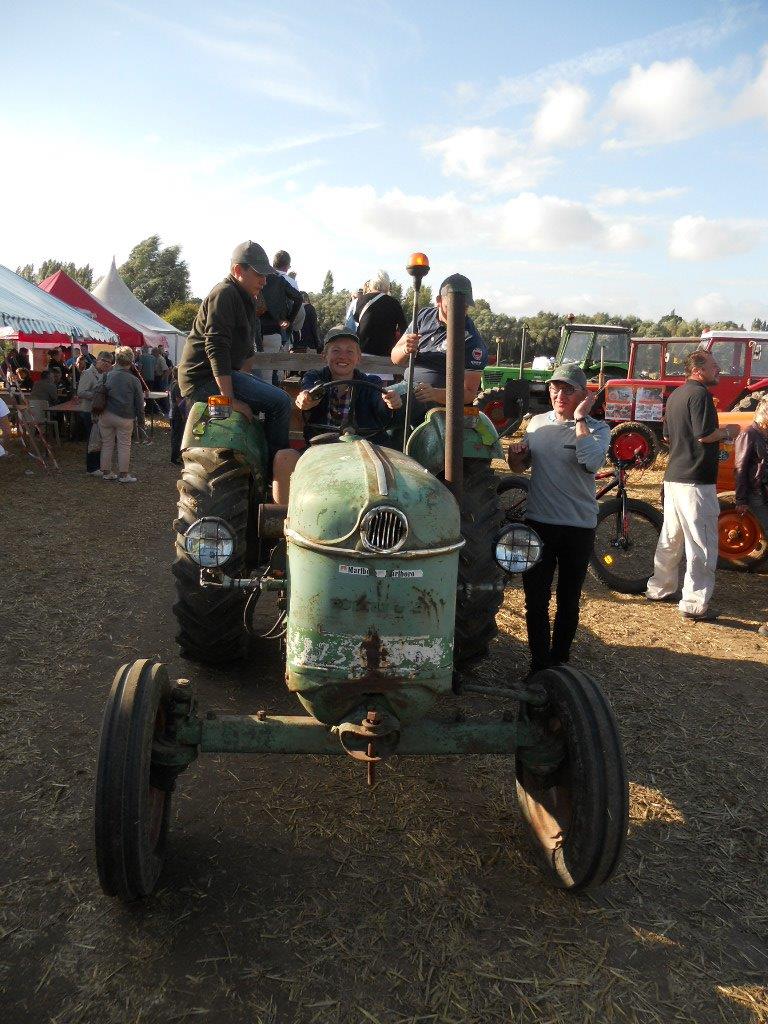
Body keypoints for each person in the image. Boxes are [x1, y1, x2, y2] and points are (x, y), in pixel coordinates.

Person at [508, 363, 611, 677]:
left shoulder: (598, 429)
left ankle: (560, 662)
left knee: (568, 600)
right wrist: (515, 455)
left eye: (568, 390)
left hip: (578, 527)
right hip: (539, 523)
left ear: (584, 395)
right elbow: (518, 468)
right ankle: (539, 665)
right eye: (555, 388)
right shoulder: (537, 424)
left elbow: (591, 463)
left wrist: (579, 419)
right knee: (535, 600)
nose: (559, 395)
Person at [177, 241, 292, 467]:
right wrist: (229, 402)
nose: (264, 281)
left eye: (266, 275)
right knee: (280, 403)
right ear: (238, 270)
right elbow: (216, 347)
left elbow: (247, 351)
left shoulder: (246, 297)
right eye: (258, 274)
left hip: (220, 376)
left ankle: (259, 462)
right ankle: (276, 470)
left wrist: (246, 389)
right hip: (201, 380)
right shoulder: (225, 293)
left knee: (273, 401)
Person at [645, 350, 740, 622]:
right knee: (702, 543)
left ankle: (660, 588)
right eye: (714, 365)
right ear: (698, 370)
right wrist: (729, 431)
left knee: (671, 538)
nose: (718, 369)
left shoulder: (676, 395)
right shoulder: (700, 395)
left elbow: (666, 435)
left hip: (674, 477)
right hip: (696, 481)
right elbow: (704, 435)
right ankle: (694, 604)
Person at [271, 326, 402, 503]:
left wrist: (390, 402)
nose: (343, 356)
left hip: (362, 451)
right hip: (321, 448)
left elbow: (380, 404)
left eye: (350, 351)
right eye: (336, 351)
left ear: (358, 358)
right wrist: (306, 399)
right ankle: (284, 514)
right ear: (324, 356)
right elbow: (310, 394)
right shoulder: (314, 377)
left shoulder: (371, 382)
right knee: (284, 457)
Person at [390, 274, 487, 421]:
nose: (459, 312)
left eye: (465, 307)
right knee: (374, 397)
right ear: (439, 301)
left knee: (386, 407)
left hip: (436, 402)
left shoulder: (472, 340)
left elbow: (468, 392)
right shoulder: (423, 316)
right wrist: (405, 349)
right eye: (453, 306)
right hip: (408, 385)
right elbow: (395, 358)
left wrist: (435, 393)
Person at [734, 394, 768, 637]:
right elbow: (741, 468)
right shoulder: (749, 435)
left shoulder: (765, 435)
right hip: (756, 494)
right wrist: (741, 499)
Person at [99, 345, 146, 482]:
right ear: (131, 360)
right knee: (124, 445)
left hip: (105, 414)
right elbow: (139, 403)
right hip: (125, 416)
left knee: (107, 444)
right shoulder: (134, 380)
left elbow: (98, 392)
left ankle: (106, 472)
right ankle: (123, 475)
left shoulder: (107, 375)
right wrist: (141, 421)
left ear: (116, 359)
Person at [256, 250, 303, 383]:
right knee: (270, 376)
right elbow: (298, 298)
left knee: (253, 375)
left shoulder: (256, 277)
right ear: (287, 265)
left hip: (253, 331)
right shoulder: (280, 280)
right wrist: (289, 320)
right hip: (274, 332)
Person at [77, 351, 113, 475]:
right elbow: (81, 392)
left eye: (109, 362)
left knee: (99, 439)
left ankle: (97, 465)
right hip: (89, 411)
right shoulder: (87, 373)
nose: (106, 364)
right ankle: (92, 467)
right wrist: (97, 396)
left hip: (99, 411)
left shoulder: (105, 375)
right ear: (97, 360)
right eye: (104, 361)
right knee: (93, 439)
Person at [355, 272, 406, 358]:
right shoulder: (394, 303)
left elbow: (356, 319)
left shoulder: (361, 300)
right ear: (387, 284)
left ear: (371, 284)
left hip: (362, 351)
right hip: (385, 352)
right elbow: (403, 328)